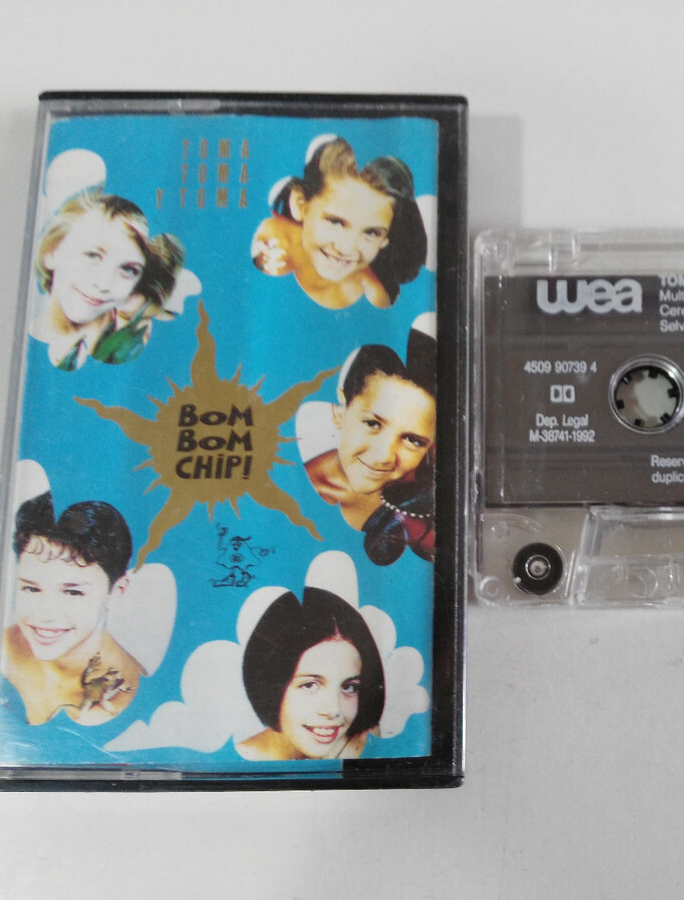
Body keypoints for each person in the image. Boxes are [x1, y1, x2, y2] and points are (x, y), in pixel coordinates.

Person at [297, 316, 436, 562]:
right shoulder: (287, 483)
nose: (383, 456)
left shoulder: (422, 508)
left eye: (413, 440)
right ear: (340, 411)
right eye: (373, 424)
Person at [2, 492, 143, 726]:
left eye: (73, 593)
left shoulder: (123, 699)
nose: (45, 614)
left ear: (117, 591)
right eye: (31, 588)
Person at [251, 137, 427, 309]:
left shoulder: (376, 295)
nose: (346, 248)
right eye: (335, 222)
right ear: (300, 204)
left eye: (371, 232)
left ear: (385, 240)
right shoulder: (273, 238)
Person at [31, 188, 185, 370]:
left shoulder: (126, 349)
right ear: (52, 252)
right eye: (92, 255)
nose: (103, 284)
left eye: (129, 269)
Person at [238, 586, 385, 761]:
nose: (334, 710)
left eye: (349, 687)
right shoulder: (233, 766)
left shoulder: (368, 747)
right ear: (269, 686)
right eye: (309, 685)